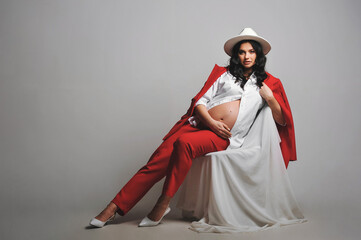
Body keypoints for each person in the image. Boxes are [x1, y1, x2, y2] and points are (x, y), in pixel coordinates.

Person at [89, 27, 297, 228]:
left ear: (258, 55)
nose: (247, 56)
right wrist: (211, 122)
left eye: (251, 52)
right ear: (236, 55)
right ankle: (113, 208)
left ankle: (162, 204)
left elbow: (282, 120)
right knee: (154, 163)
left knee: (184, 144)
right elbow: (200, 102)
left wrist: (270, 98)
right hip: (197, 125)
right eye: (242, 52)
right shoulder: (223, 74)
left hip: (223, 137)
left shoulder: (270, 83)